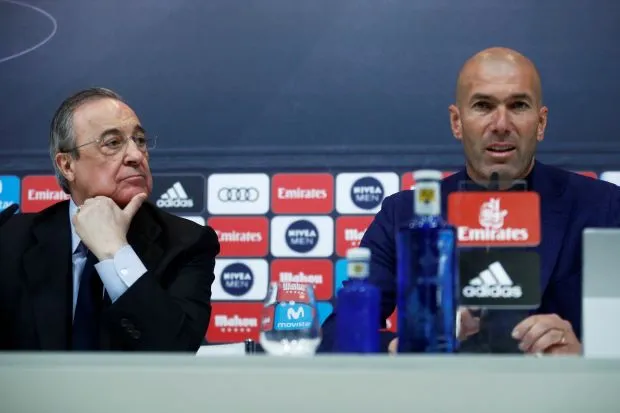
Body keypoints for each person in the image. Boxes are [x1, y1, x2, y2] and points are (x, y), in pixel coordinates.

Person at [319, 47, 620, 355]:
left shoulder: (605, 206)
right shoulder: (403, 214)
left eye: (518, 105)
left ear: (541, 123)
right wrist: (412, 345)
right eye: (483, 106)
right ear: (457, 122)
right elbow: (337, 334)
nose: (501, 124)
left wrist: (585, 355)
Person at [0, 88, 220, 351]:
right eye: (113, 143)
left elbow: (175, 351)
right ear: (67, 165)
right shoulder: (10, 240)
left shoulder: (187, 243)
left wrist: (115, 252)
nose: (136, 155)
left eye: (140, 140)